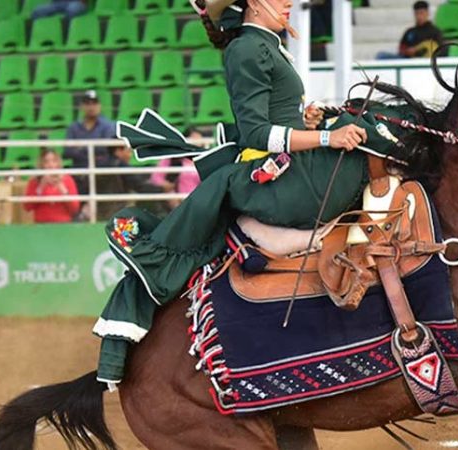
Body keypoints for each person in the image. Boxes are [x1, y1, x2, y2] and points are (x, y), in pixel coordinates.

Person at [92, 0, 394, 386]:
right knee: (371, 125)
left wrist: (307, 121)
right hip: (285, 180)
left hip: (288, 165)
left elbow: (274, 120)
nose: (289, 3)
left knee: (366, 121)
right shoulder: (248, 48)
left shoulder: (264, 44)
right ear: (253, 3)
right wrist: (326, 136)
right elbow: (256, 134)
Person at [64, 90, 116, 194]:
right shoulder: (74, 127)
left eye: (94, 103)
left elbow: (106, 149)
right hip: (79, 171)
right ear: (82, 106)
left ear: (99, 106)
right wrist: (93, 151)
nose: (91, 107)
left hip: (101, 171)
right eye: (88, 104)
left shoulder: (108, 126)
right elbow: (67, 152)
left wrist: (80, 150)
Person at [149, 129, 204, 210]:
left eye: (199, 140)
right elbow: (156, 177)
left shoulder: (203, 160)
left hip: (198, 199)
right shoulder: (172, 159)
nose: (197, 143)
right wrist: (165, 185)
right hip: (178, 200)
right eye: (194, 139)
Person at [24, 149, 80, 223]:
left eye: (54, 161)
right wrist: (41, 187)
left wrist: (62, 189)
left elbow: (74, 209)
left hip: (63, 224)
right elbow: (27, 207)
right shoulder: (34, 181)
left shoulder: (68, 180)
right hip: (41, 225)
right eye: (46, 162)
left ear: (58, 163)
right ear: (42, 165)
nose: (51, 165)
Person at [376, 1, 442, 59]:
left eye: (421, 13)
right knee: (381, 55)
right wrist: (408, 51)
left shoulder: (435, 31)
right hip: (407, 59)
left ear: (427, 13)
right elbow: (401, 49)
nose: (419, 16)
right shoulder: (410, 31)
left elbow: (440, 50)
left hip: (426, 62)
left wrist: (419, 51)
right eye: (417, 13)